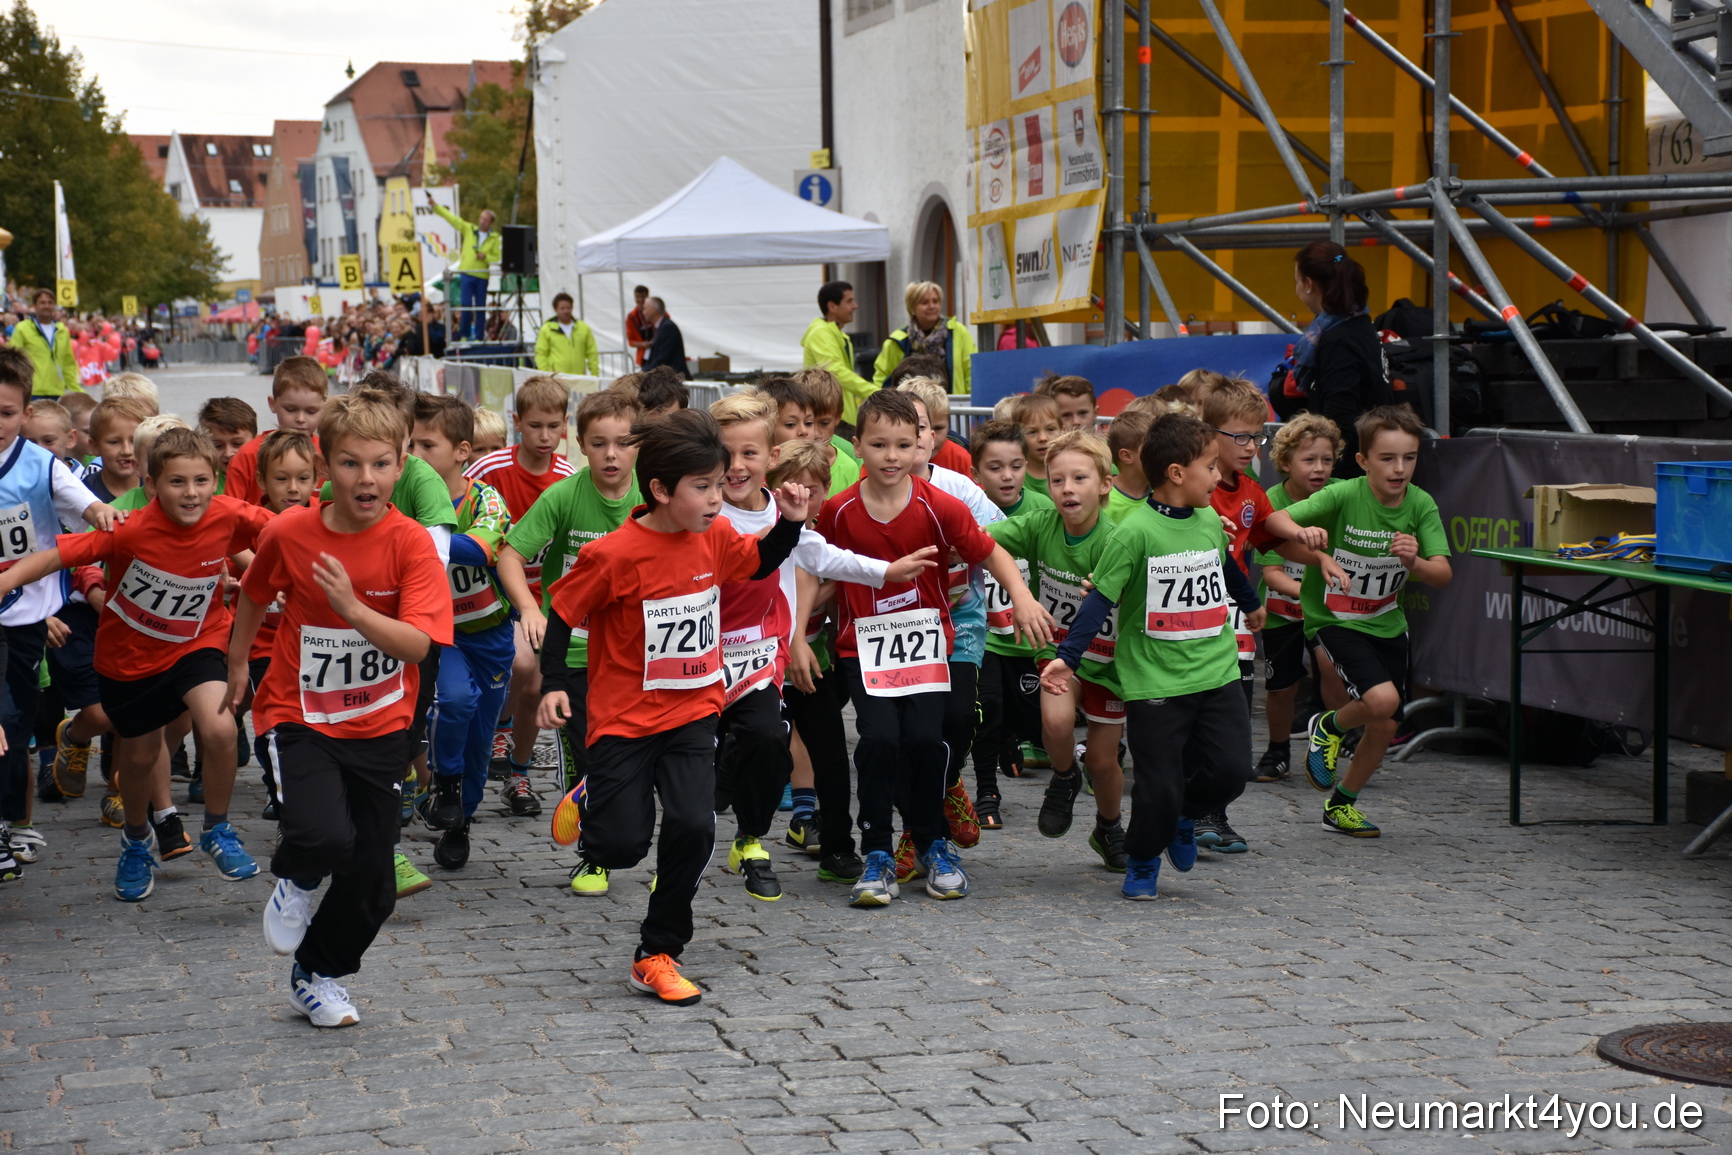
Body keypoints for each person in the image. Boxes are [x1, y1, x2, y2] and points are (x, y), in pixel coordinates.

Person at [537, 408, 810, 1006]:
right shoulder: (613, 555)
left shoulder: (714, 537)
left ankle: (657, 951)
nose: (718, 498)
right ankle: (590, 802)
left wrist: (788, 524)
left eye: (720, 484)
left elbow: (758, 561)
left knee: (692, 825)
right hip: (623, 721)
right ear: (661, 489)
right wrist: (553, 683)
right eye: (704, 487)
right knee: (622, 847)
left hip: (692, 711)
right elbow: (561, 614)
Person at [231, 391, 453, 1029]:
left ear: (403, 463)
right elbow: (254, 592)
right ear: (325, 466)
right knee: (322, 833)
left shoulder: (411, 544)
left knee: (375, 884)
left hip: (381, 724)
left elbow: (417, 645)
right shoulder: (291, 531)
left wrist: (355, 609)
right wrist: (239, 662)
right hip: (298, 713)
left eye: (382, 464)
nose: (368, 478)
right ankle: (297, 880)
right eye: (352, 464)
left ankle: (318, 974)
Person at [0, 426, 272, 901]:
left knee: (221, 728)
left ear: (216, 482)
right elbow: (54, 557)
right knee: (141, 760)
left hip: (197, 644)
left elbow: (290, 530)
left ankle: (217, 828)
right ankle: (134, 840)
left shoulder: (229, 515)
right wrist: (4, 584)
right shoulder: (129, 528)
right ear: (151, 486)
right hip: (130, 660)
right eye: (177, 482)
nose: (191, 494)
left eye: (202, 481)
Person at [814, 390, 1050, 908]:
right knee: (877, 740)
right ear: (858, 447)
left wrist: (1024, 597)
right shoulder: (839, 511)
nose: (892, 456)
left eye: (903, 443)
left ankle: (931, 842)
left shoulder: (940, 506)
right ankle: (875, 852)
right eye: (879, 445)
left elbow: (991, 553)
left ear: (922, 443)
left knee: (925, 740)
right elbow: (818, 571)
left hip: (927, 648)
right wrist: (794, 637)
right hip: (864, 648)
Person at [1039, 412, 1265, 900]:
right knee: (1157, 787)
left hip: (1216, 670)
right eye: (1210, 466)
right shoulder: (1134, 533)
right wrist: (1069, 658)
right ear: (1178, 474)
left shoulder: (1207, 518)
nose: (1218, 475)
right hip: (1155, 682)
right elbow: (1100, 599)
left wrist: (1251, 604)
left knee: (1230, 770)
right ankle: (1142, 858)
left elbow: (1224, 565)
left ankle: (1184, 818)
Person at [497, 387, 642, 896]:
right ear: (578, 444)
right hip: (576, 651)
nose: (610, 455)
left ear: (638, 446)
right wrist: (532, 609)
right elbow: (510, 555)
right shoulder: (563, 495)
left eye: (622, 443)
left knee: (639, 759)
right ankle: (594, 856)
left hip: (640, 653)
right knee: (590, 756)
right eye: (598, 443)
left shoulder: (657, 494)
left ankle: (648, 847)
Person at [1291, 406, 1452, 838]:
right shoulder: (1344, 495)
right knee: (1380, 702)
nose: (1400, 469)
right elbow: (1281, 522)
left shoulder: (1420, 504)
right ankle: (1327, 725)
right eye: (1387, 458)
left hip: (1387, 622)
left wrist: (1414, 561)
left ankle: (1341, 806)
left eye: (1410, 458)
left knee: (1386, 724)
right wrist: (1309, 540)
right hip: (1335, 617)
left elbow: (1442, 573)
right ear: (1363, 461)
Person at [994, 431, 1128, 870]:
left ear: (1106, 483)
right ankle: (1066, 775)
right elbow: (982, 540)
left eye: (1079, 478)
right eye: (1056, 480)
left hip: (1108, 663)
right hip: (1056, 655)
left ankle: (1108, 827)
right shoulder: (1039, 524)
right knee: (1055, 721)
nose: (1067, 489)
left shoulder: (1118, 540)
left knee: (1106, 764)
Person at [409, 395, 515, 870]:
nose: (414, 455)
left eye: (427, 445)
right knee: (455, 701)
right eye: (409, 444)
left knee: (481, 737)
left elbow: (482, 548)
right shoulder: (402, 497)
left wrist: (420, 539)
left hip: (490, 634)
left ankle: (460, 818)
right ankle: (443, 784)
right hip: (440, 631)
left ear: (462, 450)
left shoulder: (484, 498)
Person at [466, 376, 576, 816]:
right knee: (524, 664)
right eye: (535, 426)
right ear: (517, 424)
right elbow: (458, 499)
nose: (545, 437)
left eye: (553, 426)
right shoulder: (489, 468)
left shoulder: (568, 477)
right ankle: (501, 728)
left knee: (534, 685)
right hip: (496, 591)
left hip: (546, 596)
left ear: (566, 426)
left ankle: (519, 771)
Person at [1254, 413, 1345, 784]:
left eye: (1327, 459)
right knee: (1281, 686)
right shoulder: (1271, 502)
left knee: (1329, 664)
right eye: (1309, 460)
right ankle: (1277, 750)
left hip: (1327, 609)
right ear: (1286, 462)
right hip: (1282, 611)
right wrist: (1312, 591)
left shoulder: (1342, 494)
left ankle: (1332, 740)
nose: (1320, 468)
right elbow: (1272, 573)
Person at [969, 420, 1052, 817]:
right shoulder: (966, 510)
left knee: (1028, 712)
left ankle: (1011, 737)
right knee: (985, 710)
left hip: (1027, 634)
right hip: (981, 632)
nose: (1007, 476)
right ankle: (987, 792)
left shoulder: (1043, 509)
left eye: (1016, 466)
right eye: (995, 467)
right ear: (976, 473)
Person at [1285, 241, 1395, 478]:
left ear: (1308, 285)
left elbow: (1339, 420)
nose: (1295, 287)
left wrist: (1326, 476)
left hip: (1347, 474)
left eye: (1296, 280)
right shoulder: (1361, 324)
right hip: (1365, 463)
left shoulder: (1338, 340)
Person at [222, 357, 330, 505]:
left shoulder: (327, 454)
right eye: (290, 409)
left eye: (311, 411)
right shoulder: (247, 455)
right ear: (272, 404)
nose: (300, 419)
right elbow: (230, 511)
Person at [871, 282, 977, 396]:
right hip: (909, 408)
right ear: (912, 307)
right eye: (924, 302)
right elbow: (881, 381)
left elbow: (972, 372)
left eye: (935, 301)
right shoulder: (897, 341)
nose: (931, 306)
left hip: (953, 407)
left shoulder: (958, 332)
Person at [801, 281, 875, 426]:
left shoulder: (836, 334)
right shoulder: (820, 333)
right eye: (849, 301)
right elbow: (836, 371)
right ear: (832, 306)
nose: (855, 306)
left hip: (841, 418)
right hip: (830, 421)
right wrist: (874, 391)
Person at [13, 290, 79, 400]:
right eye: (42, 302)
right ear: (34, 306)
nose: (46, 306)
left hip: (57, 391)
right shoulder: (22, 328)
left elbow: (68, 364)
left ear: (54, 305)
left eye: (50, 302)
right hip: (32, 391)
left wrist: (77, 390)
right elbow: (14, 360)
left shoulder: (62, 330)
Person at [535, 293, 600, 377]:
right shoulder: (546, 329)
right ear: (555, 310)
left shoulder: (584, 328)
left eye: (568, 308)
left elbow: (592, 352)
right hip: (557, 379)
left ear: (572, 308)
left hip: (579, 378)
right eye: (562, 308)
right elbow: (541, 353)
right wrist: (546, 374)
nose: (565, 311)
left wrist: (595, 374)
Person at [1034, 374, 1098, 433]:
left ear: (1095, 413)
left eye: (1082, 413)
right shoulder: (1045, 444)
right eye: (1066, 415)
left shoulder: (1105, 445)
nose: (1076, 422)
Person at [639, 297, 686, 378]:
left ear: (653, 310)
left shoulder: (667, 327)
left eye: (645, 309)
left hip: (673, 379)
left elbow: (662, 358)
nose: (643, 312)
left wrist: (643, 373)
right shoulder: (660, 327)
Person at [625, 284, 653, 366]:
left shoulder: (656, 312)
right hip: (644, 357)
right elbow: (631, 341)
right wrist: (643, 344)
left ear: (648, 297)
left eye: (643, 296)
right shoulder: (632, 317)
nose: (640, 299)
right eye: (637, 297)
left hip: (660, 353)